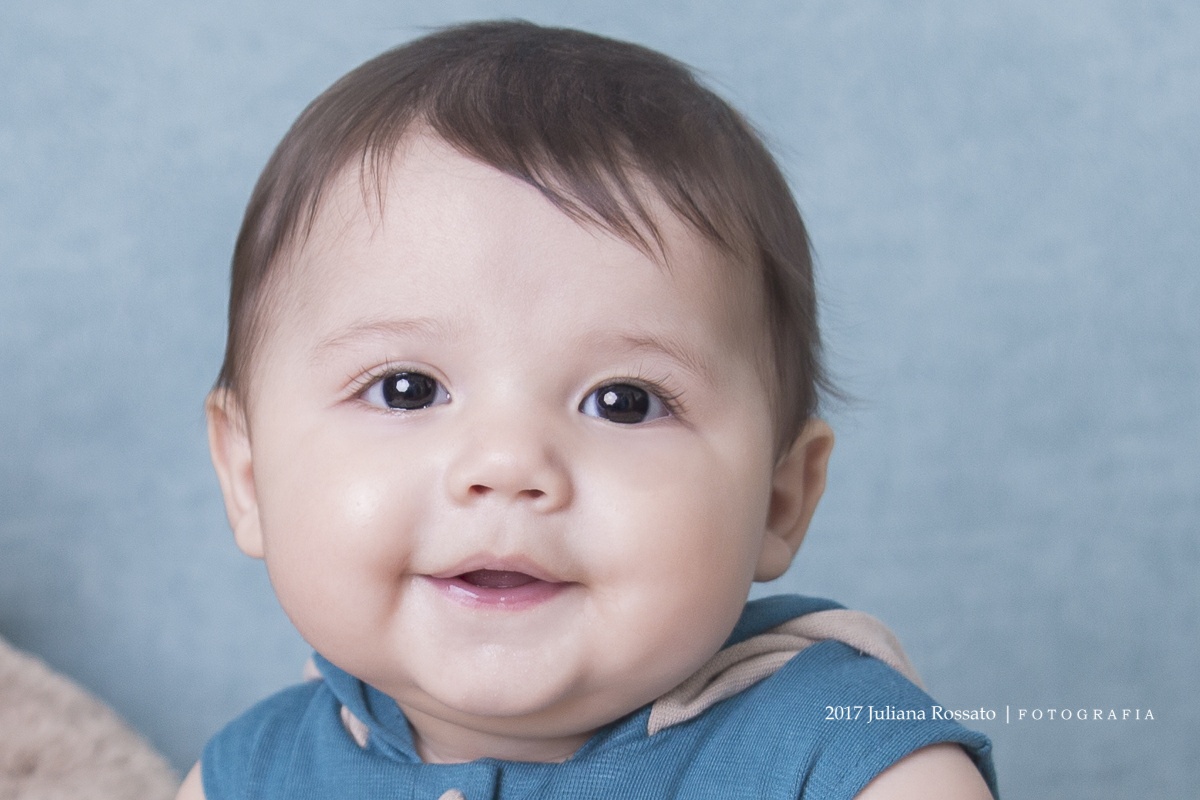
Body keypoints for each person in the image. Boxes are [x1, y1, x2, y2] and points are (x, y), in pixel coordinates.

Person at [179, 20, 998, 799]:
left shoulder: (848, 767)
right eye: (407, 388)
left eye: (623, 402)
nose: (507, 465)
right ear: (248, 476)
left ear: (781, 497)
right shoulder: (249, 775)